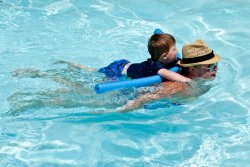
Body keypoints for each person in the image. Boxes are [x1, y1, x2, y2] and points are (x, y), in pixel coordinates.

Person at [119, 39, 221, 111]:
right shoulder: (178, 86)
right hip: (121, 74)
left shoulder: (192, 81)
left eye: (216, 64)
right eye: (212, 66)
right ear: (193, 69)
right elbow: (145, 98)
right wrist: (122, 110)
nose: (216, 69)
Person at [59, 33, 191, 82]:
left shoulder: (169, 59)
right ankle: (75, 65)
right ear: (164, 56)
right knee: (94, 73)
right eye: (174, 49)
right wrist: (187, 81)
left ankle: (75, 65)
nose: (177, 50)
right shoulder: (156, 66)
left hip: (126, 64)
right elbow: (168, 74)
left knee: (95, 71)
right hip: (118, 70)